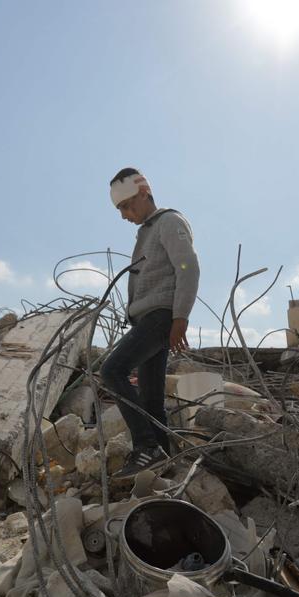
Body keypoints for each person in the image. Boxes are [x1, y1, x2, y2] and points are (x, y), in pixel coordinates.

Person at [100, 167, 200, 478]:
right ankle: (164, 463)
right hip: (150, 319)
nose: (124, 215)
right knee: (152, 398)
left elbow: (189, 267)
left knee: (112, 370)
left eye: (127, 206)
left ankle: (145, 447)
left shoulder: (169, 222)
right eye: (120, 209)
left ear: (144, 193)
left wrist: (180, 316)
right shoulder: (148, 230)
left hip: (160, 316)